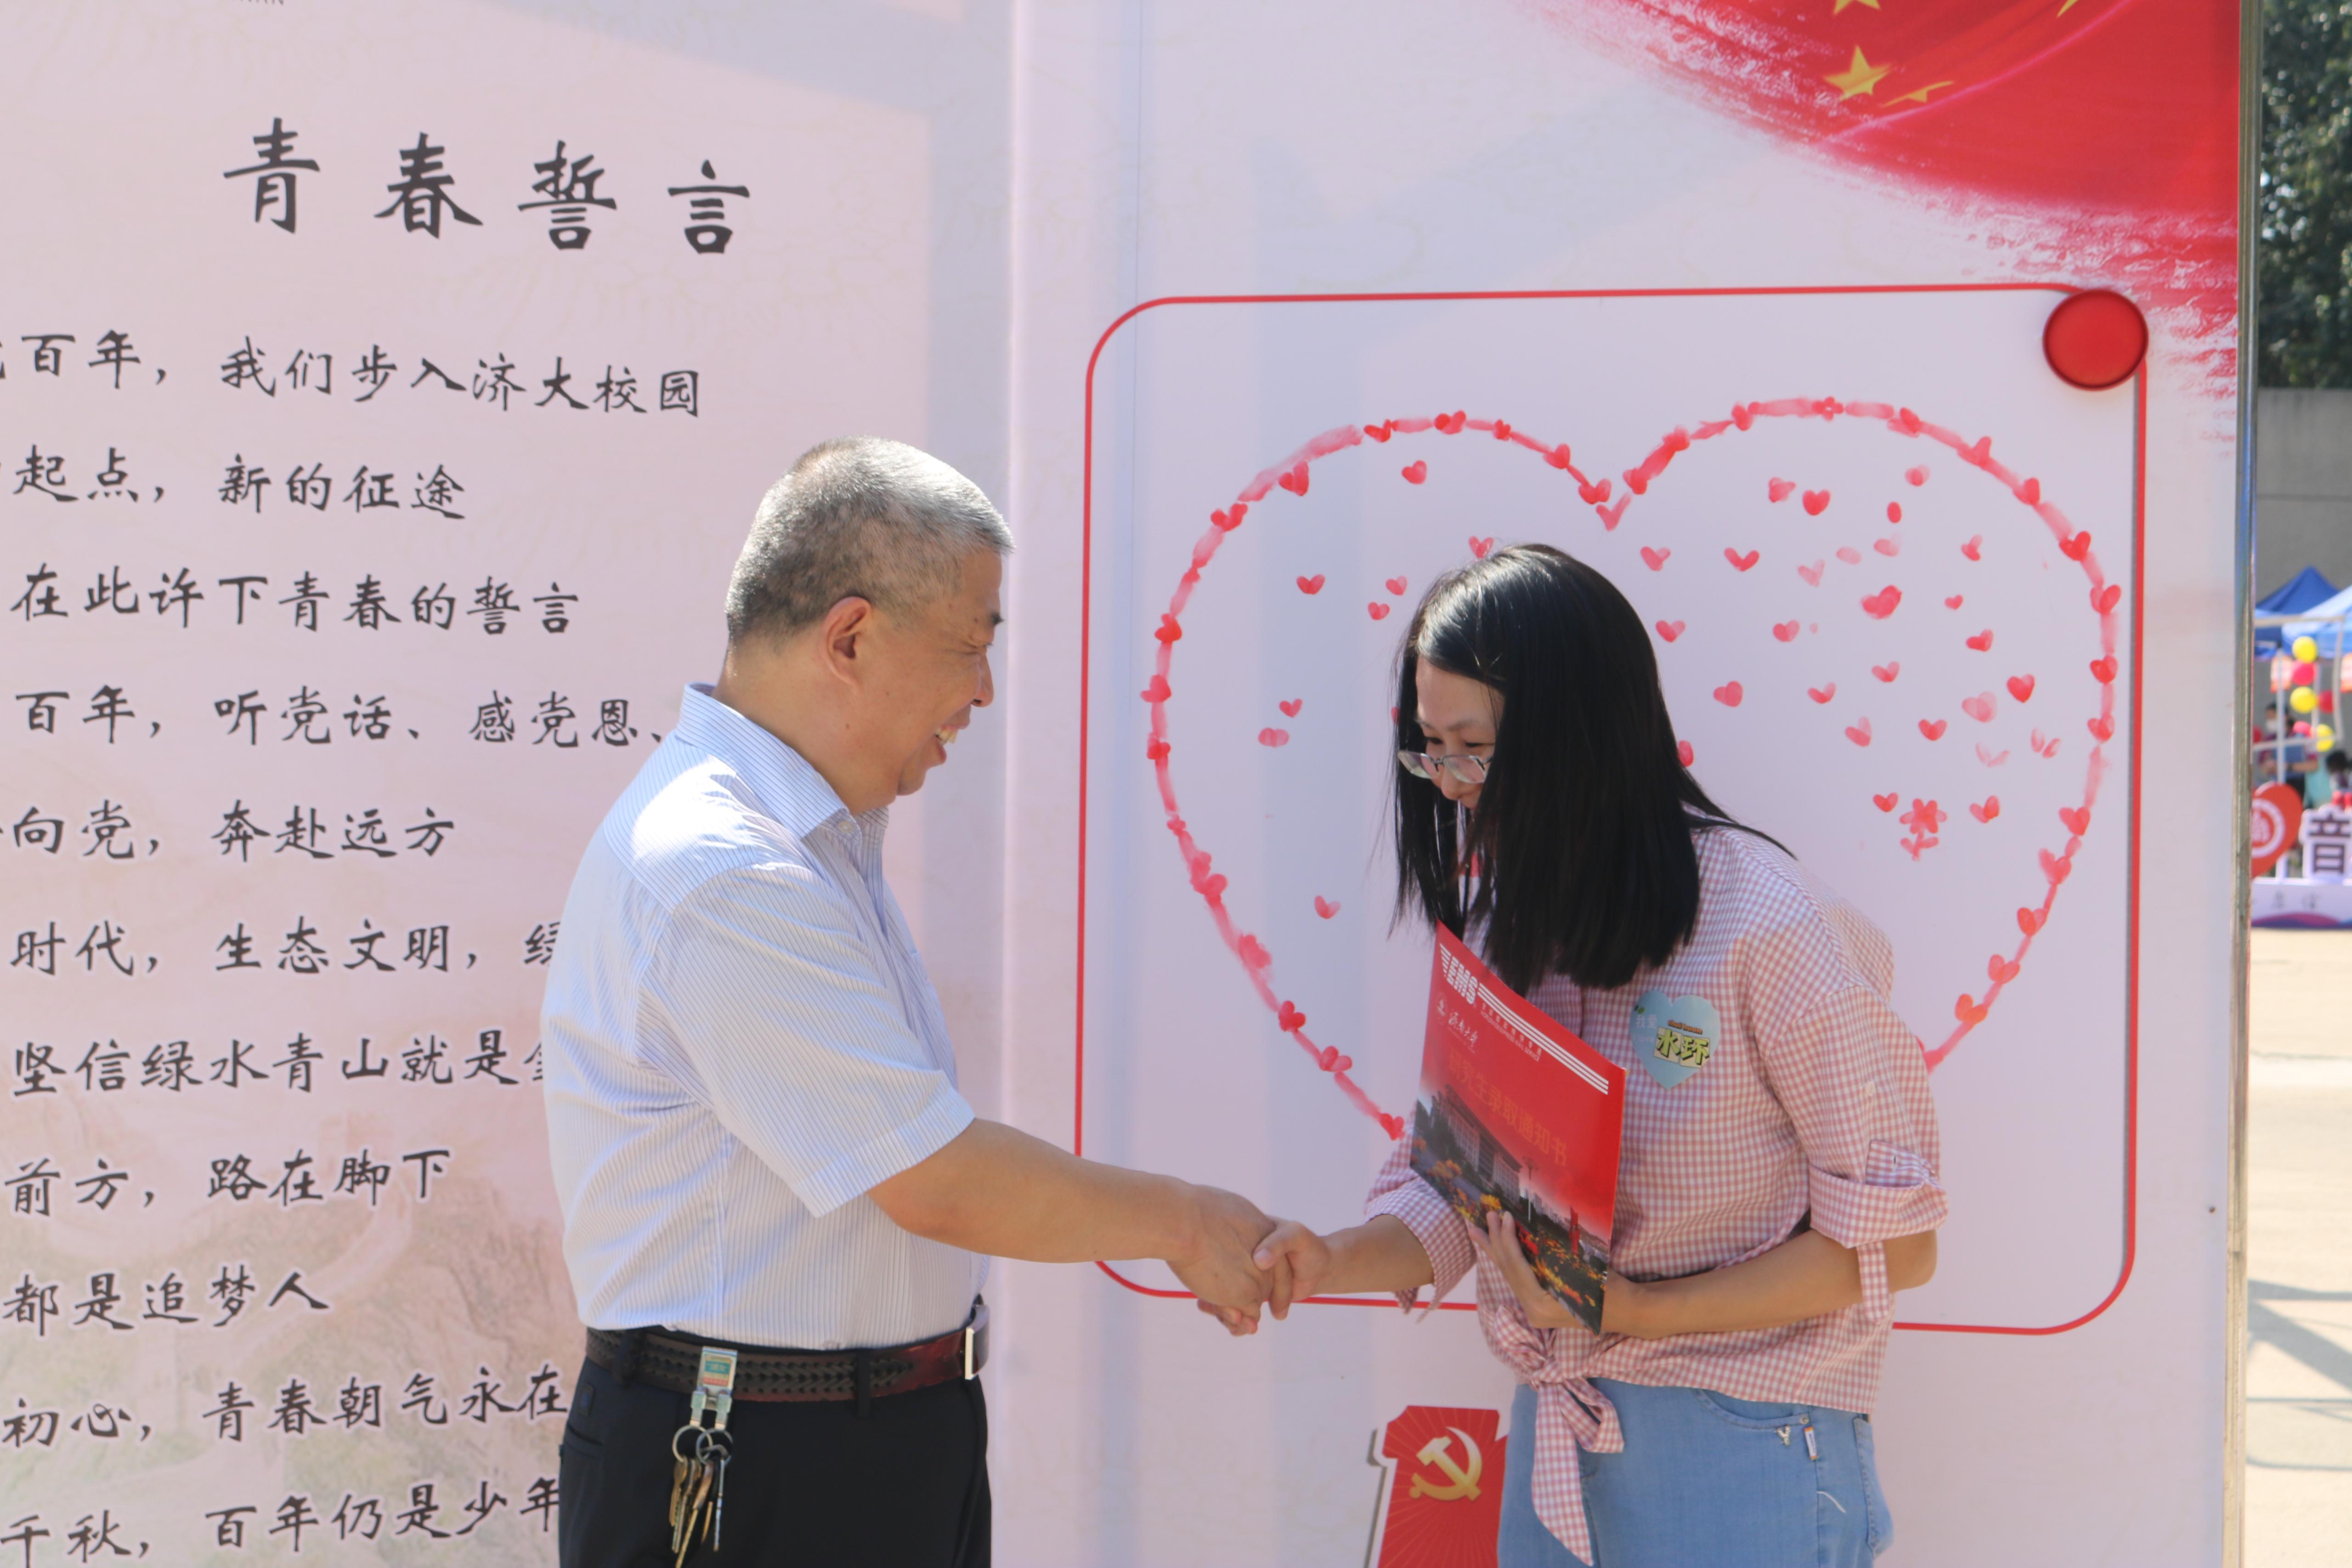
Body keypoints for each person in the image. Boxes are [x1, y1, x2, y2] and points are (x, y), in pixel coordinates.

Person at [538, 438, 1279, 1568]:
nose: (983, 692)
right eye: (971, 647)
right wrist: (1184, 1223)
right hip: (755, 1463)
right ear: (850, 637)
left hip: (861, 1443)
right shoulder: (725, 868)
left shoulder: (805, 840)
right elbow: (933, 1177)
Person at [1228, 545, 1946, 1567]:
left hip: (1745, 1438)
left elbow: (1894, 1248)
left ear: (1579, 738)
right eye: (1431, 752)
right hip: (1564, 1429)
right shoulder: (1507, 926)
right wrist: (1329, 1258)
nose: (1453, 788)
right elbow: (1468, 1190)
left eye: (1475, 750)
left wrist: (1634, 1310)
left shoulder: (1773, 929)